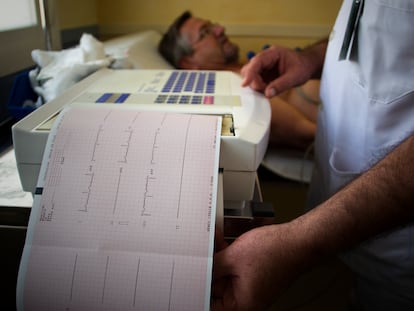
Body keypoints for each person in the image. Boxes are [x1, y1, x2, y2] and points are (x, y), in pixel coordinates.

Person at [211, 1, 414, 310]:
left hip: (400, 248)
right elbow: (366, 30)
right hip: (347, 222)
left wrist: (298, 243)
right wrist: (308, 58)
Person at [159, 11, 320, 151]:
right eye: (205, 32)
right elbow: (307, 135)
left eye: (213, 25)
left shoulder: (246, 68)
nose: (220, 29)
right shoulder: (237, 89)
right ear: (189, 63)